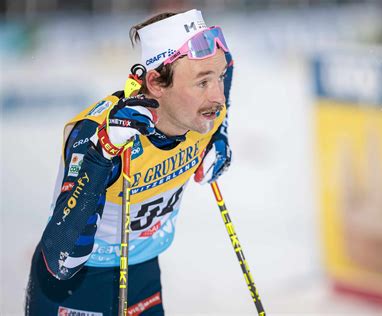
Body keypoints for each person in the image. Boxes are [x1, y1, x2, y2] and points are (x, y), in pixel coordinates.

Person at [25, 9, 234, 315]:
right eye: (202, 83)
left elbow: (224, 76)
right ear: (156, 82)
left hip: (143, 275)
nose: (218, 96)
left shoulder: (205, 112)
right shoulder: (96, 133)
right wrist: (102, 156)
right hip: (76, 289)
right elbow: (61, 259)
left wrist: (221, 136)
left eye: (220, 77)